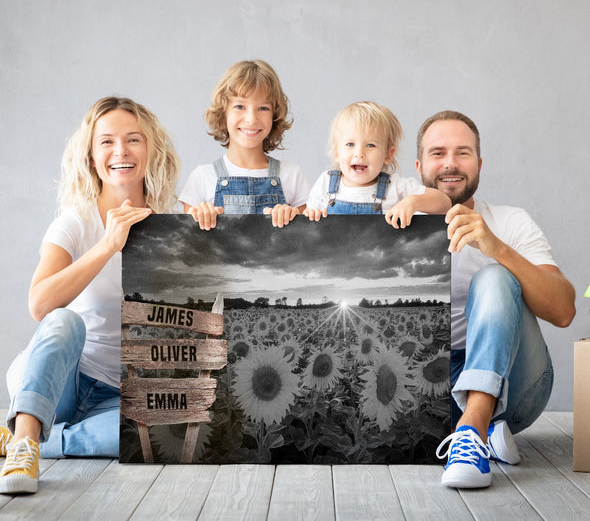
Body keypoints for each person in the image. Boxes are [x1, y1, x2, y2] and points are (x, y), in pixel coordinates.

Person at [0, 97, 180, 494]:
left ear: (151, 149)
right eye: (107, 142)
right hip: (62, 381)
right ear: (91, 154)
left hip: (117, 395)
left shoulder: (169, 223)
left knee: (164, 432)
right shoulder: (76, 221)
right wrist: (107, 245)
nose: (121, 151)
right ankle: (27, 437)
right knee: (65, 319)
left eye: (133, 139)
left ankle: (35, 438)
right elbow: (39, 304)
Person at [415, 110, 575, 489]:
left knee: (495, 276)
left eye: (463, 152)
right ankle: (489, 430)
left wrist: (496, 247)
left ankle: (473, 428)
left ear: (480, 163)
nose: (451, 163)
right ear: (419, 165)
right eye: (438, 153)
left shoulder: (510, 221)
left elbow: (564, 310)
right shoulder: (396, 222)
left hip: (516, 386)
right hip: (428, 389)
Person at [180, 59, 310, 228]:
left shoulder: (292, 175)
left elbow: (307, 243)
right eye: (240, 106)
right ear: (223, 112)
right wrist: (199, 217)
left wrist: (293, 217)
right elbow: (187, 245)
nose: (251, 119)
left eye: (263, 108)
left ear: (274, 115)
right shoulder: (201, 178)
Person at [305, 101, 451, 225]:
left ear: (388, 155)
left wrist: (412, 202)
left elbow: (444, 203)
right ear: (337, 152)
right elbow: (307, 218)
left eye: (370, 145)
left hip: (382, 255)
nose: (359, 153)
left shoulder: (395, 186)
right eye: (350, 144)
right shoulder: (326, 183)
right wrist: (312, 215)